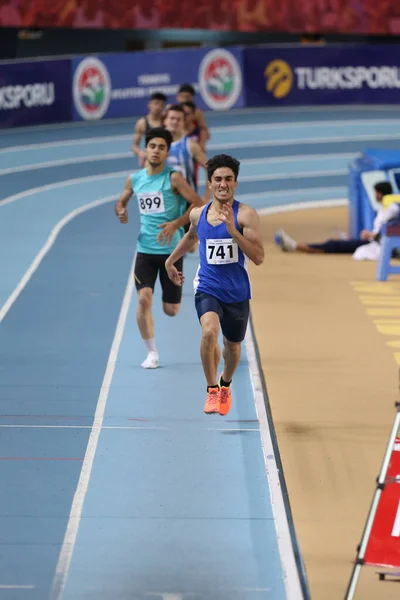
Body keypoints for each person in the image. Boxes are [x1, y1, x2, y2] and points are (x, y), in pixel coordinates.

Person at [165, 154, 265, 416]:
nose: (223, 184)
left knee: (232, 346)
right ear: (209, 184)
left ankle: (225, 384)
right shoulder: (198, 214)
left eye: (228, 179)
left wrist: (234, 233)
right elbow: (190, 237)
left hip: (237, 291)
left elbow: (259, 257)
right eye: (218, 179)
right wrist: (170, 261)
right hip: (208, 286)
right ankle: (211, 390)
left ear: (236, 183)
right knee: (209, 332)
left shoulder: (245, 215)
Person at [116, 127, 203, 369]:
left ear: (167, 153)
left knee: (171, 310)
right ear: (145, 149)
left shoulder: (173, 178)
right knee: (143, 300)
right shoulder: (135, 179)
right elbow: (121, 201)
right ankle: (152, 352)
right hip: (144, 250)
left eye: (161, 147)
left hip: (171, 252)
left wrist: (176, 223)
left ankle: (172, 303)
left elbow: (197, 204)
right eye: (152, 146)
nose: (156, 151)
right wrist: (121, 210)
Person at [274, 181, 395, 260]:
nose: (374, 195)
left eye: (375, 192)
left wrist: (371, 235)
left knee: (333, 245)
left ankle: (295, 246)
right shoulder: (384, 208)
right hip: (372, 240)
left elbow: (389, 230)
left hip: (376, 243)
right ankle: (296, 245)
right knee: (335, 244)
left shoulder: (392, 208)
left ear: (380, 194)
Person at [132, 92, 167, 166]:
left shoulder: (167, 121)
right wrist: (140, 153)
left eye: (161, 105)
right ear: (149, 105)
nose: (158, 107)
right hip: (150, 160)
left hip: (166, 159)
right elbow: (134, 146)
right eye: (156, 103)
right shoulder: (142, 123)